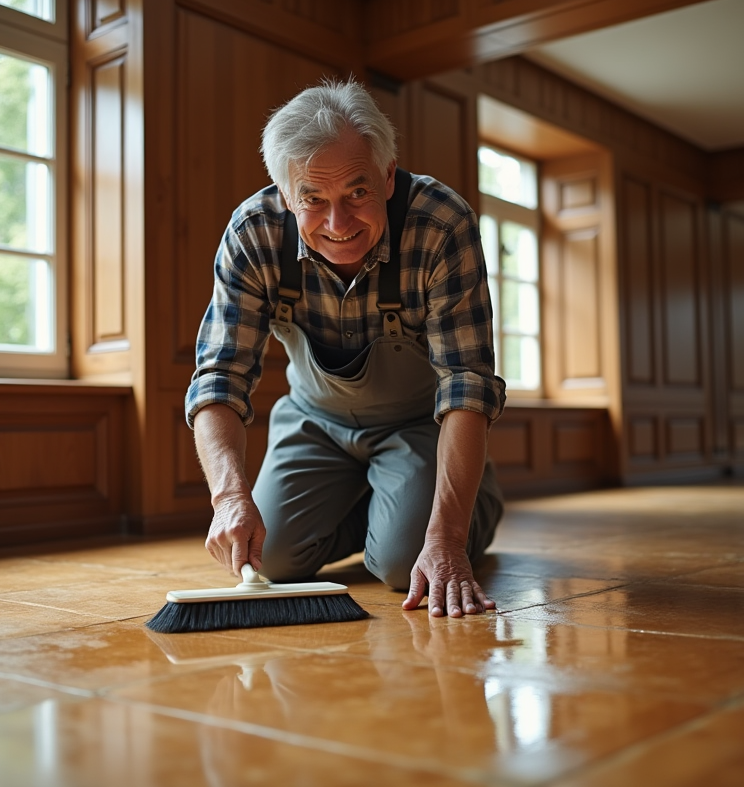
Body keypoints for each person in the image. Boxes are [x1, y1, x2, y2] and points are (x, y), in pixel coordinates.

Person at [185, 78, 506, 618]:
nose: (338, 225)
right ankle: (387, 507)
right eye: (312, 200)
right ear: (286, 195)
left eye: (357, 192)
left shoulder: (440, 224)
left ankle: (470, 507)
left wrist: (447, 539)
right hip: (314, 422)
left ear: (387, 174)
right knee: (271, 559)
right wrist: (229, 498)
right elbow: (219, 375)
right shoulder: (254, 233)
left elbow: (466, 383)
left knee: (407, 565)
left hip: (418, 423)